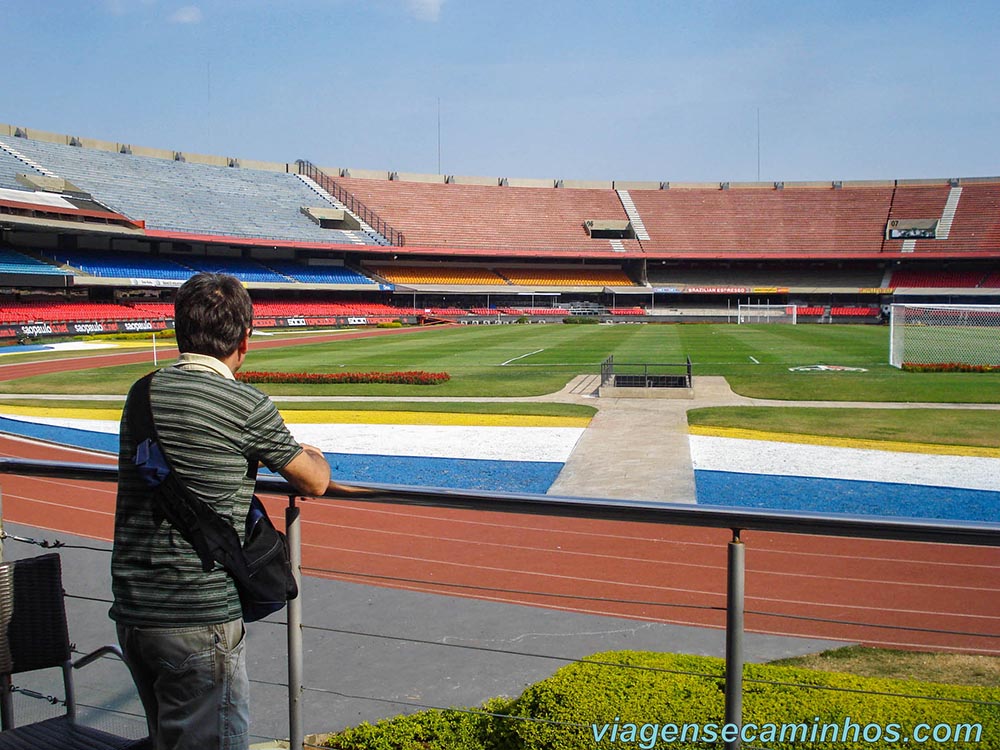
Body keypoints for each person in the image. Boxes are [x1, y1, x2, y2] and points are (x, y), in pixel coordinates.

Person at [111, 272, 330, 750]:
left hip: (133, 609)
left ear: (178, 329)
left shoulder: (140, 393)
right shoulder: (243, 403)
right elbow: (314, 479)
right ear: (245, 339)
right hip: (198, 613)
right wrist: (308, 452)